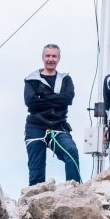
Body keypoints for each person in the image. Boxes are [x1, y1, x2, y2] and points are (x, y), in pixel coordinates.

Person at [24, 44, 81, 185]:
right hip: (35, 126)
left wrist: (42, 97)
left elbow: (67, 99)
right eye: (48, 56)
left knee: (71, 152)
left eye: (54, 56)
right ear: (43, 57)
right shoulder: (31, 79)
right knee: (36, 169)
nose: (51, 59)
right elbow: (30, 102)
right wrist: (56, 99)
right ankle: (35, 198)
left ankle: (75, 190)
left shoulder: (65, 79)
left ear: (59, 58)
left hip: (58, 125)